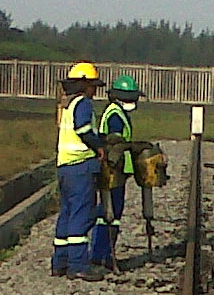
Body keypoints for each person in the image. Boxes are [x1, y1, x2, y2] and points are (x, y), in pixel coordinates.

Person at [53, 62, 107, 281]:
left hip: (65, 166)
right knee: (81, 214)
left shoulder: (67, 104)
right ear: (84, 84)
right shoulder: (83, 103)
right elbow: (83, 129)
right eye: (92, 85)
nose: (94, 90)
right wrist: (98, 146)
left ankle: (60, 263)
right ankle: (78, 265)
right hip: (80, 166)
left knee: (67, 213)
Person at [91, 75, 145, 269]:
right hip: (113, 170)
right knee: (110, 212)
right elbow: (116, 143)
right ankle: (102, 255)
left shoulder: (117, 112)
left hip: (117, 170)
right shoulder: (115, 115)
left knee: (110, 211)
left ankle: (103, 254)